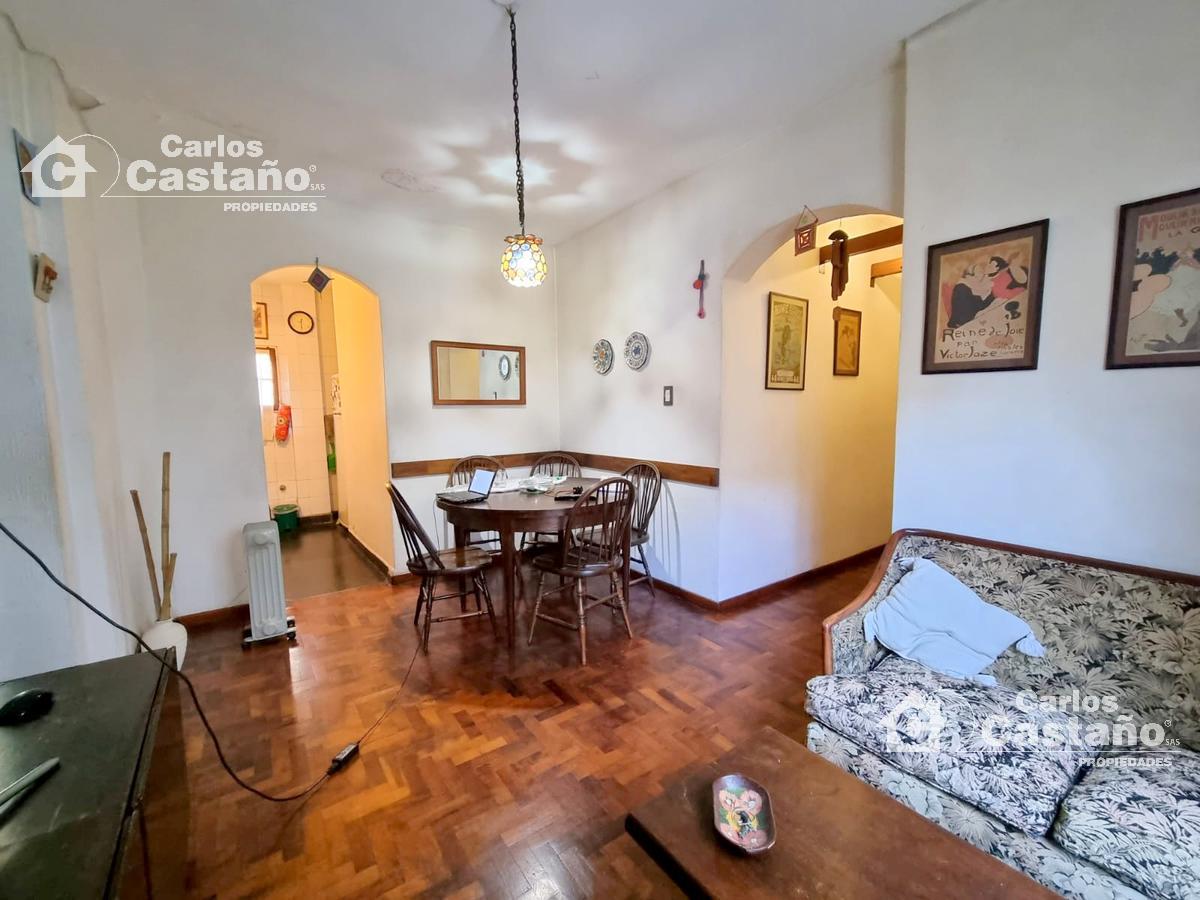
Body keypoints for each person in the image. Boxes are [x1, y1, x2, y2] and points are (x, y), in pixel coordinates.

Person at [946, 256, 1028, 329]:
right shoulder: (962, 288)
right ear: (969, 275)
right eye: (979, 272)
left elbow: (980, 304)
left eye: (981, 272)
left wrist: (992, 297)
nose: (982, 274)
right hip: (962, 323)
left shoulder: (975, 285)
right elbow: (974, 308)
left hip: (973, 320)